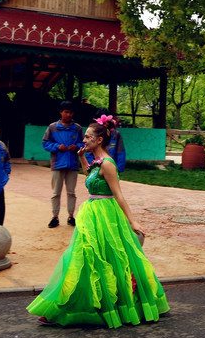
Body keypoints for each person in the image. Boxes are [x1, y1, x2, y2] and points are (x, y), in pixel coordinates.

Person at [27, 119, 168, 327]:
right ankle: (76, 305)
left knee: (109, 260)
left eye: (88, 137)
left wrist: (133, 221)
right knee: (86, 258)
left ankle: (108, 306)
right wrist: (82, 158)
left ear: (99, 139)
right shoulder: (96, 161)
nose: (83, 139)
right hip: (92, 213)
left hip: (106, 216)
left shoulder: (108, 164)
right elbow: (90, 178)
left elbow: (119, 195)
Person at [42, 100, 84, 228]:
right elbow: (45, 143)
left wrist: (76, 146)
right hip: (57, 164)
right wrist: (56, 147)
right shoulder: (52, 127)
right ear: (61, 112)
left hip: (72, 164)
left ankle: (71, 216)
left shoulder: (77, 128)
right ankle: (55, 217)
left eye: (71, 112)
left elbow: (84, 143)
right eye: (66, 112)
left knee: (71, 192)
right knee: (56, 192)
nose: (69, 115)